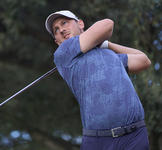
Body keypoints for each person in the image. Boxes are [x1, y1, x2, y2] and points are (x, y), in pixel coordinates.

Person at [45, 10, 151, 150]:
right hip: (98, 141)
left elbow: (144, 61)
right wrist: (97, 39)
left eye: (65, 23)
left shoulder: (109, 55)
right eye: (56, 30)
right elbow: (106, 25)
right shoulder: (63, 53)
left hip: (134, 136)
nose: (61, 29)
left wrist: (106, 45)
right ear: (57, 42)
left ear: (80, 23)